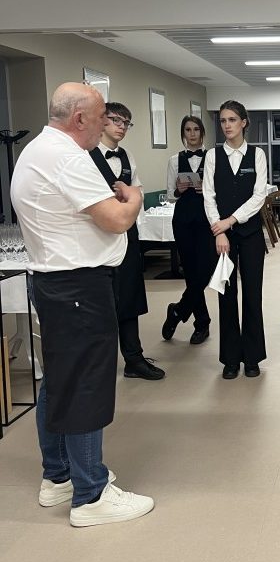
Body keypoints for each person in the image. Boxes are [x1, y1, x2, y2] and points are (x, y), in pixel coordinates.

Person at [10, 82, 154, 527]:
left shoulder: (35, 150)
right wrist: (134, 197)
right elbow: (116, 219)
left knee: (60, 380)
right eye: (100, 117)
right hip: (78, 288)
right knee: (87, 384)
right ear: (79, 119)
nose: (105, 125)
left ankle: (58, 476)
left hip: (54, 283)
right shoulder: (68, 157)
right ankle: (90, 494)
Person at [90, 102, 164, 381]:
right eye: (116, 120)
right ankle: (100, 364)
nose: (121, 127)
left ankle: (134, 358)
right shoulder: (86, 155)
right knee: (102, 301)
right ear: (102, 121)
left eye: (126, 123)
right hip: (98, 237)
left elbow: (138, 192)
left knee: (130, 297)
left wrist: (136, 228)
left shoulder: (127, 156)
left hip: (128, 234)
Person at [203, 100, 268, 379]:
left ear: (243, 122)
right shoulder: (212, 156)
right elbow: (208, 196)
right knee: (226, 296)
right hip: (222, 238)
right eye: (223, 120)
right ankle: (230, 359)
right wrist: (219, 231)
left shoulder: (257, 155)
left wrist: (230, 221)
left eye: (232, 120)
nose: (227, 125)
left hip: (250, 234)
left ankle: (252, 357)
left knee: (252, 294)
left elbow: (259, 196)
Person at [162, 115, 215, 345]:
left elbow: (220, 192)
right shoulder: (175, 160)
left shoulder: (213, 158)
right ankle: (202, 323)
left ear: (202, 132)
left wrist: (207, 190)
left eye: (196, 129)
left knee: (206, 270)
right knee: (192, 273)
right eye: (187, 130)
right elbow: (169, 196)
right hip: (183, 220)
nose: (192, 134)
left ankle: (178, 310)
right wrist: (178, 189)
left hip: (206, 220)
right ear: (183, 133)